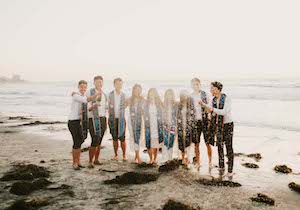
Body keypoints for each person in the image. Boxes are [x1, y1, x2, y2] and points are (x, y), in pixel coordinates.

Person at [199, 81, 234, 177]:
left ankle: (230, 171)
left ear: (218, 89)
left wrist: (212, 110)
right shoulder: (213, 99)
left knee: (229, 147)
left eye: (212, 88)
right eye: (210, 88)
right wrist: (204, 106)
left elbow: (224, 112)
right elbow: (210, 110)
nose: (210, 90)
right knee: (219, 145)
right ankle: (221, 166)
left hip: (227, 125)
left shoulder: (227, 98)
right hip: (218, 125)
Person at [68, 80, 101, 170]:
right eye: (81, 87)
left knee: (81, 141)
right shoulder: (76, 95)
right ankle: (74, 163)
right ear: (78, 87)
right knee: (76, 142)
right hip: (73, 121)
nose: (83, 89)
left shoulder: (83, 96)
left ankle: (78, 162)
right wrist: (96, 94)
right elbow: (86, 100)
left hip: (81, 122)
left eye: (85, 87)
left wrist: (94, 106)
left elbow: (88, 108)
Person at [191, 78, 213, 170]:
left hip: (205, 121)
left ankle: (210, 161)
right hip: (195, 122)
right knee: (196, 143)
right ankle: (198, 162)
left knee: (207, 143)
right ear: (192, 86)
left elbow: (210, 107)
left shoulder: (205, 94)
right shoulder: (190, 96)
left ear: (200, 84)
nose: (196, 86)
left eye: (197, 84)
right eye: (194, 84)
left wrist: (203, 105)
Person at [86, 76, 108, 169]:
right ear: (94, 83)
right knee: (94, 140)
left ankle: (96, 159)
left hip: (102, 118)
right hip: (93, 119)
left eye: (101, 82)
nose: (99, 84)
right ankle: (90, 161)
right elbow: (86, 106)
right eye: (97, 82)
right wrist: (93, 106)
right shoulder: (90, 92)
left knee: (99, 141)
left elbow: (105, 108)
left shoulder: (104, 94)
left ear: (102, 83)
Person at [108, 78, 127, 161]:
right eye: (117, 84)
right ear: (114, 84)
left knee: (122, 138)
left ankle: (124, 155)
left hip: (121, 119)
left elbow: (127, 104)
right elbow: (107, 106)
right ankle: (115, 155)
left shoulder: (124, 95)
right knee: (114, 138)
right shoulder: (110, 95)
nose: (118, 85)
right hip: (112, 119)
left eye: (120, 84)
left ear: (122, 85)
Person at [144, 88, 164, 164]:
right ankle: (150, 158)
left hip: (157, 125)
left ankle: (155, 159)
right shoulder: (146, 104)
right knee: (148, 142)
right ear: (148, 94)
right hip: (148, 125)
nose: (152, 95)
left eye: (153, 93)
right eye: (150, 93)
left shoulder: (159, 103)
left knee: (156, 142)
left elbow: (164, 111)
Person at [127, 84, 145, 164]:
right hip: (131, 120)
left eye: (139, 90)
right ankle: (137, 155)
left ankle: (137, 155)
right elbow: (121, 107)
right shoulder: (129, 99)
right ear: (133, 90)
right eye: (135, 89)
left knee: (139, 137)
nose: (137, 91)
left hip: (140, 120)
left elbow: (145, 111)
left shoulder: (143, 99)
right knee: (133, 136)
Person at [177, 90, 196, 166]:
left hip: (188, 125)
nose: (184, 97)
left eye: (185, 95)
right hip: (181, 125)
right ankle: (183, 157)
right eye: (183, 96)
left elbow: (193, 115)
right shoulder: (179, 105)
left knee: (188, 141)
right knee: (181, 142)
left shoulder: (190, 105)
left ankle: (188, 158)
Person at [163, 89, 178, 161]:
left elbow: (178, 116)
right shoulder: (163, 104)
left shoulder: (176, 104)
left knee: (171, 141)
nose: (169, 96)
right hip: (165, 126)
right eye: (167, 94)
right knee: (165, 141)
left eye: (170, 94)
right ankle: (166, 158)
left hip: (173, 126)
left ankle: (170, 158)